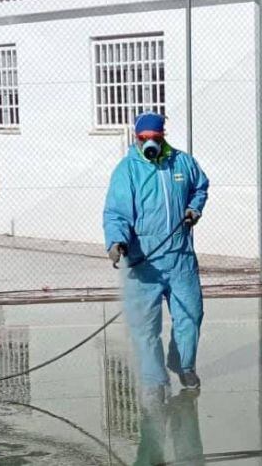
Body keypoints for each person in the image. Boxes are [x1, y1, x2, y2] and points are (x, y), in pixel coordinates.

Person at [103, 112, 209, 397]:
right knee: (145, 327)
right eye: (143, 139)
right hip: (143, 262)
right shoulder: (127, 170)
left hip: (180, 258)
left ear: (163, 136)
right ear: (136, 139)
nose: (149, 143)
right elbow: (116, 212)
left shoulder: (182, 162)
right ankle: (155, 382)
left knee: (191, 315)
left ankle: (183, 364)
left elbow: (200, 186)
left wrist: (194, 208)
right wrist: (116, 242)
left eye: (154, 138)